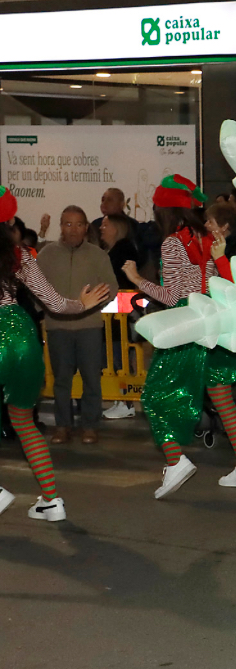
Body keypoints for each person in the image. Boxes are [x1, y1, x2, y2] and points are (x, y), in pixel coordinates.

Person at [122, 176, 236, 500]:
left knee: (155, 396)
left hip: (187, 326)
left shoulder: (173, 243)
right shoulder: (208, 235)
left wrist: (136, 278)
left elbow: (172, 297)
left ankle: (176, 461)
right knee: (223, 398)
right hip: (214, 321)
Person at [0, 186, 111, 522]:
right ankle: (51, 500)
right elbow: (56, 303)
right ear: (10, 221)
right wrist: (81, 304)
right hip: (22, 334)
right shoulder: (21, 255)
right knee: (23, 421)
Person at [38, 206, 118, 445]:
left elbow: (111, 287)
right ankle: (62, 426)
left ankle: (90, 426)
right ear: (61, 227)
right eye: (68, 224)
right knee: (61, 380)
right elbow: (36, 287)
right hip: (57, 326)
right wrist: (47, 308)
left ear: (86, 227)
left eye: (79, 224)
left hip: (89, 327)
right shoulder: (47, 254)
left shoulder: (98, 255)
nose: (73, 230)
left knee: (92, 379)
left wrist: (92, 305)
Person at [100, 214, 139, 290]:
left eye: (105, 225)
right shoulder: (111, 250)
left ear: (116, 229)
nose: (100, 228)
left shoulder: (124, 250)